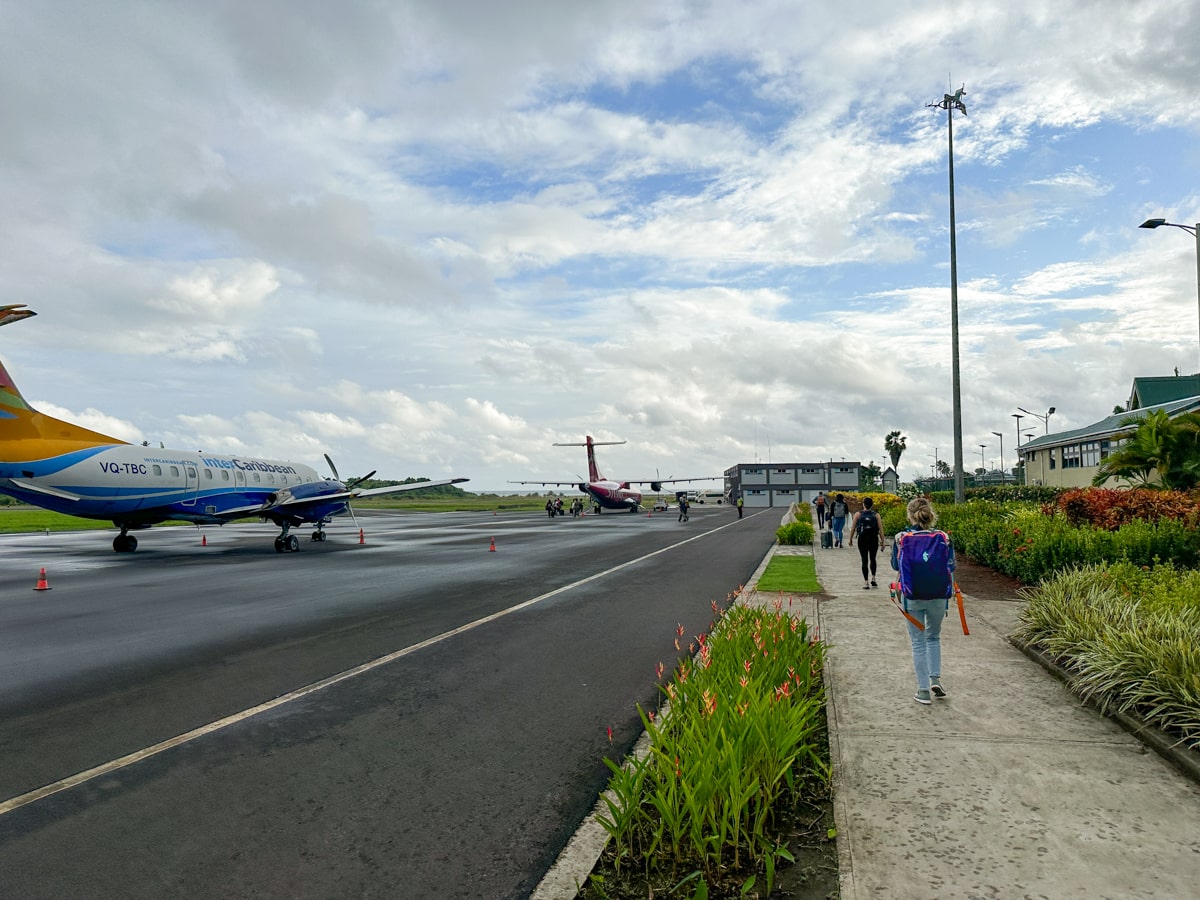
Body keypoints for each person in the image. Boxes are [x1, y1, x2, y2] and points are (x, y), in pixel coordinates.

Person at [890, 497, 956, 705]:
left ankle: (923, 690)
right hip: (938, 595)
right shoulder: (943, 537)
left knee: (918, 642)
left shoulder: (901, 538)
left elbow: (895, 566)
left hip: (912, 595)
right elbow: (951, 566)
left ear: (909, 515)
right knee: (933, 638)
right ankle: (935, 678)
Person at [848, 496, 884, 589]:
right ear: (872, 505)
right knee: (873, 559)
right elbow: (880, 529)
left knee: (864, 560)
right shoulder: (876, 515)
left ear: (863, 504)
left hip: (862, 539)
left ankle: (866, 582)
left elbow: (853, 528)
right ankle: (873, 578)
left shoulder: (858, 514)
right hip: (873, 539)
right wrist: (882, 542)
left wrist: (850, 539)